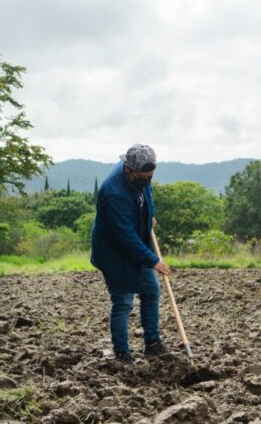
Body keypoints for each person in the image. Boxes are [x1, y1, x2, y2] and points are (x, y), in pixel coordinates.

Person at [91, 144, 172, 365]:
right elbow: (125, 237)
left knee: (151, 292)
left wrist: (150, 215)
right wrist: (154, 260)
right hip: (114, 253)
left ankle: (153, 344)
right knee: (123, 301)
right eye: (143, 176)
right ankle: (122, 353)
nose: (147, 179)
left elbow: (148, 195)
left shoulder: (142, 178)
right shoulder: (112, 192)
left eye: (150, 175)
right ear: (129, 169)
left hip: (138, 243)